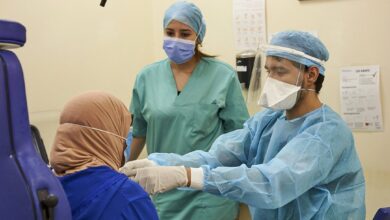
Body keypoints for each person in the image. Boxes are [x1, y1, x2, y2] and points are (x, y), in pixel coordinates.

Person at [121, 31, 366, 220]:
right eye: (269, 71)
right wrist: (159, 163)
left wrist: (186, 176)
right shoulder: (269, 120)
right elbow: (217, 156)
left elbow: (272, 183)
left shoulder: (326, 133)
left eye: (281, 71)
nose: (272, 80)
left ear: (311, 75)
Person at [126, 1, 249, 219]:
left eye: (185, 34)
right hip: (163, 189)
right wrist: (119, 170)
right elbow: (138, 132)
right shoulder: (147, 77)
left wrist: (244, 195)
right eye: (169, 32)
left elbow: (240, 139)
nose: (176, 40)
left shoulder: (223, 76)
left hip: (209, 191)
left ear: (198, 37)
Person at [50, 91, 158, 220]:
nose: (125, 143)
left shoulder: (41, 188)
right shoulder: (128, 197)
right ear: (106, 137)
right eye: (122, 131)